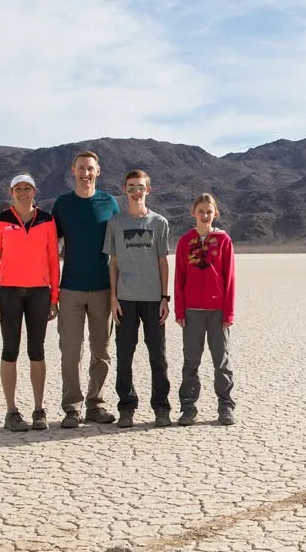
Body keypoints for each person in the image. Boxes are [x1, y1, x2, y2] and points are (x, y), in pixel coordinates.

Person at [52, 150, 120, 428]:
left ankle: (96, 404)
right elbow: (51, 248)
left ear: (98, 171)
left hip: (102, 287)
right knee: (70, 350)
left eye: (90, 168)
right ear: (73, 171)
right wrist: (50, 289)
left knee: (101, 350)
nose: (85, 173)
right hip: (70, 288)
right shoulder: (63, 205)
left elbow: (117, 248)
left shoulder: (109, 203)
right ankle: (72, 408)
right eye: (81, 168)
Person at [0, 173, 59, 432]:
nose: (23, 193)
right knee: (10, 351)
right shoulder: (0, 220)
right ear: (11, 193)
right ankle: (11, 412)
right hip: (9, 293)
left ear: (35, 191)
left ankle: (39, 410)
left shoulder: (47, 220)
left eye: (28, 188)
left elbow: (53, 260)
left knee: (36, 350)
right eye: (19, 189)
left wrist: (54, 296)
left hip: (39, 292)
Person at [104, 170, 172, 429]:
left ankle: (161, 407)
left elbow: (162, 261)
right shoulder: (116, 223)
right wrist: (113, 297)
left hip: (153, 299)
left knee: (158, 356)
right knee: (124, 355)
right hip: (126, 299)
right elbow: (114, 262)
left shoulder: (159, 223)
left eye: (140, 187)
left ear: (148, 190)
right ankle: (127, 407)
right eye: (131, 187)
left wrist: (165, 297)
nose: (136, 191)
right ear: (124, 189)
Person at [174, 193, 236, 426]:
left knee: (221, 360)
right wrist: (180, 310)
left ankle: (226, 406)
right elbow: (179, 278)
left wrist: (228, 312)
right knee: (191, 362)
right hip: (192, 311)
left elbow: (229, 278)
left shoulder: (223, 240)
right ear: (193, 213)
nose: (204, 215)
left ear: (215, 214)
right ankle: (188, 407)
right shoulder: (184, 241)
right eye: (200, 211)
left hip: (217, 311)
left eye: (209, 211)